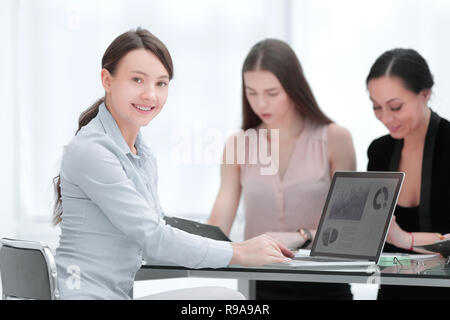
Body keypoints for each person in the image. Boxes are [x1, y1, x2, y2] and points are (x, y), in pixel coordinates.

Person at [53, 28, 294, 300]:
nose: (150, 95)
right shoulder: (92, 150)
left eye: (161, 83)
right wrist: (238, 252)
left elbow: (153, 231)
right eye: (137, 80)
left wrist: (225, 248)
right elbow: (153, 236)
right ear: (107, 80)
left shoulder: (142, 153)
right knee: (229, 301)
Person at [208, 39, 356, 300]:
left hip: (326, 283)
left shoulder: (335, 138)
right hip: (261, 284)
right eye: (251, 92)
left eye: (272, 93)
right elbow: (219, 222)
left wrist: (301, 236)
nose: (261, 103)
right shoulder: (238, 144)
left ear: (293, 87)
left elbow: (349, 225)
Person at [366, 48, 450, 300]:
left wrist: (405, 239)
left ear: (425, 95)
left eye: (395, 107)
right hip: (393, 290)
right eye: (377, 107)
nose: (386, 118)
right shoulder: (379, 151)